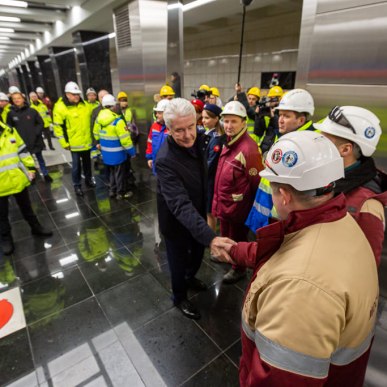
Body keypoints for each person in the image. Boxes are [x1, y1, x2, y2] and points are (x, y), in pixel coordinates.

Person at [213, 131, 378, 387]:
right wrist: (236, 250)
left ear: (285, 196)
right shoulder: (343, 221)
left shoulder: (300, 290)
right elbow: (286, 254)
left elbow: (278, 379)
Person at [155, 98, 235, 320]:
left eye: (191, 127)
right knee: (178, 261)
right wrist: (211, 237)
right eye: (179, 130)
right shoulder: (165, 160)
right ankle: (179, 296)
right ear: (169, 129)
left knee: (197, 254)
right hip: (176, 220)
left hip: (197, 212)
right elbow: (179, 204)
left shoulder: (200, 138)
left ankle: (190, 278)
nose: (188, 135)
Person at [316, 105, 387, 266]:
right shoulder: (328, 179)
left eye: (324, 140)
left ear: (345, 149)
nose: (317, 145)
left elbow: (365, 269)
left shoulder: (367, 206)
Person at [245, 88, 316, 233]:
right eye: (280, 115)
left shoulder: (307, 143)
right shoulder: (288, 135)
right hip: (269, 206)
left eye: (286, 116)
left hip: (282, 218)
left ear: (301, 120)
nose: (280, 120)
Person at [212, 101, 263, 284]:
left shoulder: (249, 149)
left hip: (237, 207)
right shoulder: (228, 142)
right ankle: (226, 256)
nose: (228, 126)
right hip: (225, 202)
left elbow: (255, 182)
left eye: (233, 121)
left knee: (237, 238)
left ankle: (238, 268)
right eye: (226, 121)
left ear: (243, 122)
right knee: (225, 233)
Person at [0, 119, 53, 255]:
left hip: (18, 178)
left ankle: (35, 227)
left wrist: (30, 168)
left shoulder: (10, 131)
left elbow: (22, 150)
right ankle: (6, 238)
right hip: (1, 184)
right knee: (2, 214)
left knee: (27, 207)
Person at [53, 81, 95, 196]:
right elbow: (58, 127)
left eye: (78, 94)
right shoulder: (60, 107)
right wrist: (64, 143)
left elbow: (93, 118)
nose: (77, 96)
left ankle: (88, 180)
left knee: (87, 163)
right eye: (74, 94)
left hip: (86, 141)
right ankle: (77, 185)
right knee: (76, 166)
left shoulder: (85, 105)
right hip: (73, 143)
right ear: (67, 94)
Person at [93, 94, 135, 199]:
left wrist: (100, 142)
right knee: (120, 173)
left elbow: (95, 134)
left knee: (111, 172)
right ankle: (120, 193)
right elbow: (125, 140)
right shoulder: (118, 121)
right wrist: (132, 152)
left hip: (106, 153)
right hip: (118, 154)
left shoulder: (99, 119)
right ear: (113, 106)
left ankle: (112, 191)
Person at [7, 92, 53, 182]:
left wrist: (36, 133)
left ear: (23, 99)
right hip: (22, 143)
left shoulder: (32, 111)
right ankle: (31, 177)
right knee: (27, 161)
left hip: (35, 140)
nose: (17, 100)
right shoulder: (11, 114)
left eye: (18, 98)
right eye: (14, 99)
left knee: (40, 158)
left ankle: (46, 174)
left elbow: (41, 123)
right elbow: (9, 128)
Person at [201, 103, 225, 232]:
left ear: (216, 119)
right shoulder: (208, 133)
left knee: (210, 211)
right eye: (203, 117)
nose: (203, 120)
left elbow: (211, 164)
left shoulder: (216, 139)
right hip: (207, 178)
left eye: (207, 118)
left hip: (210, 180)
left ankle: (211, 237)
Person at [255, 85, 284, 154]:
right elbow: (258, 131)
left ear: (279, 99)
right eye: (269, 98)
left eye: (272, 99)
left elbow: (280, 130)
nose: (270, 101)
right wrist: (258, 116)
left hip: (277, 149)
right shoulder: (268, 112)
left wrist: (273, 117)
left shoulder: (283, 114)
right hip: (265, 148)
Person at [146, 99, 170, 174]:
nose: (156, 115)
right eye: (156, 113)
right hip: (156, 163)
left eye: (159, 113)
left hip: (168, 166)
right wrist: (149, 158)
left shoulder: (173, 128)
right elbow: (150, 142)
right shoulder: (154, 126)